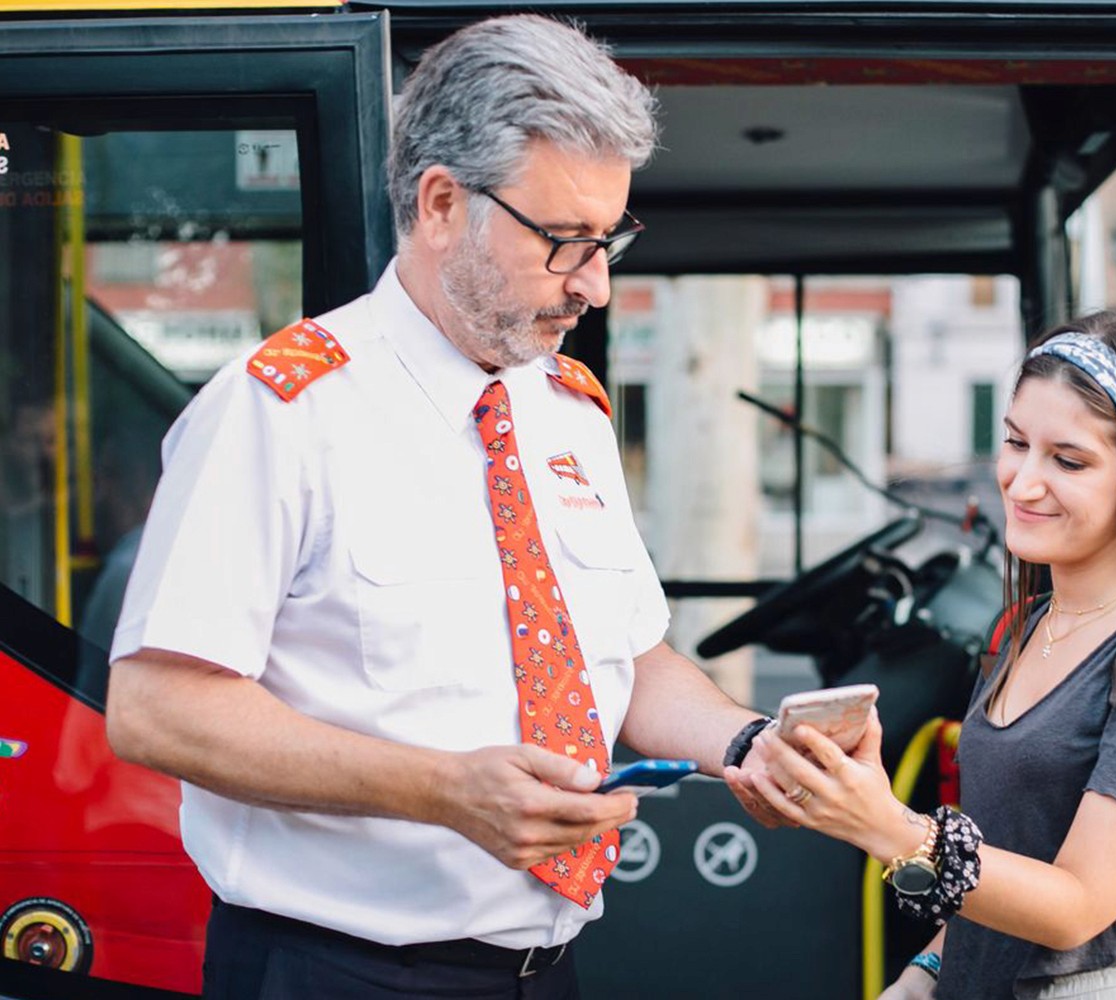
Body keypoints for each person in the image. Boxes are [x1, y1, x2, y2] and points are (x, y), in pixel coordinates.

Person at [105, 15, 782, 999]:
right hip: (334, 970)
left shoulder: (568, 414)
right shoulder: (282, 411)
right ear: (438, 204)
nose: (593, 283)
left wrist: (747, 743)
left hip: (545, 969)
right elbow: (157, 708)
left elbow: (629, 661)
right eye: (564, 241)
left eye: (609, 240)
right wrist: (443, 789)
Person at [728, 309, 1116, 1000]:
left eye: (1068, 460)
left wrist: (888, 825)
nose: (1021, 483)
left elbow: (1077, 904)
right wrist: (922, 975)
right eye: (1016, 443)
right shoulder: (1018, 629)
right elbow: (995, 869)